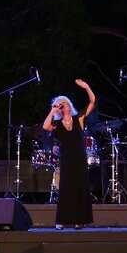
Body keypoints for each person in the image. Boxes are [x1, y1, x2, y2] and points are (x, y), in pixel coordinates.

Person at [43, 79, 95, 229]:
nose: (61, 105)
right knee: (66, 189)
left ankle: (79, 220)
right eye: (58, 104)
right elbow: (45, 126)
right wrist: (53, 111)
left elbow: (92, 102)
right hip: (66, 159)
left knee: (80, 188)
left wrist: (87, 87)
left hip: (79, 158)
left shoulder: (79, 119)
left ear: (68, 105)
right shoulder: (57, 124)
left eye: (62, 103)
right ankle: (62, 220)